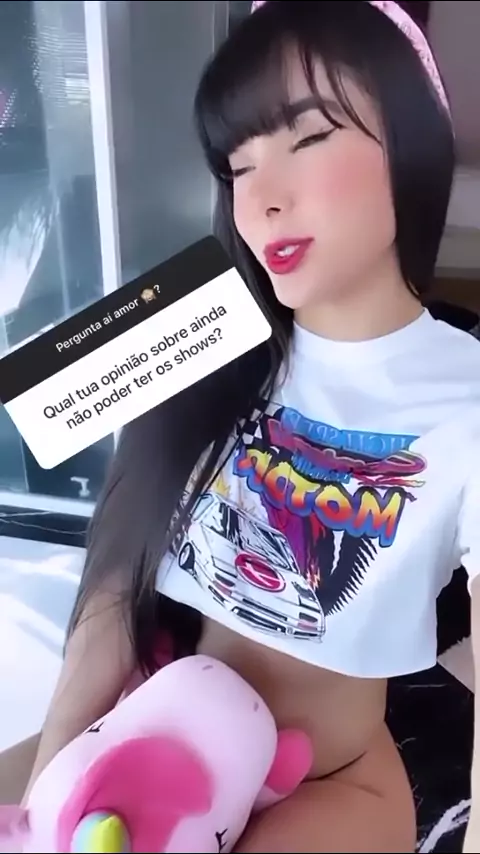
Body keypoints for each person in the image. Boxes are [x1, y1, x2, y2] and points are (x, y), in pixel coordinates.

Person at [3, 1, 480, 851]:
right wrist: (51, 802)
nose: (261, 200)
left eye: (308, 138)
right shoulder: (192, 322)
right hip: (150, 725)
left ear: (413, 143)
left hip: (329, 781)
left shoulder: (466, 394)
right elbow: (110, 584)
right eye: (237, 165)